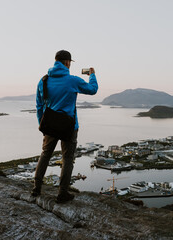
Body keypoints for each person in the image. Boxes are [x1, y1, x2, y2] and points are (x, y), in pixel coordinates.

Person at [32, 50, 98, 203]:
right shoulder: (72, 80)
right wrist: (92, 75)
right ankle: (62, 194)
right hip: (69, 126)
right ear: (67, 62)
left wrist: (41, 126)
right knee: (67, 158)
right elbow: (93, 90)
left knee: (45, 154)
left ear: (55, 61)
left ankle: (36, 189)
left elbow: (39, 106)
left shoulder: (43, 81)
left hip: (49, 125)